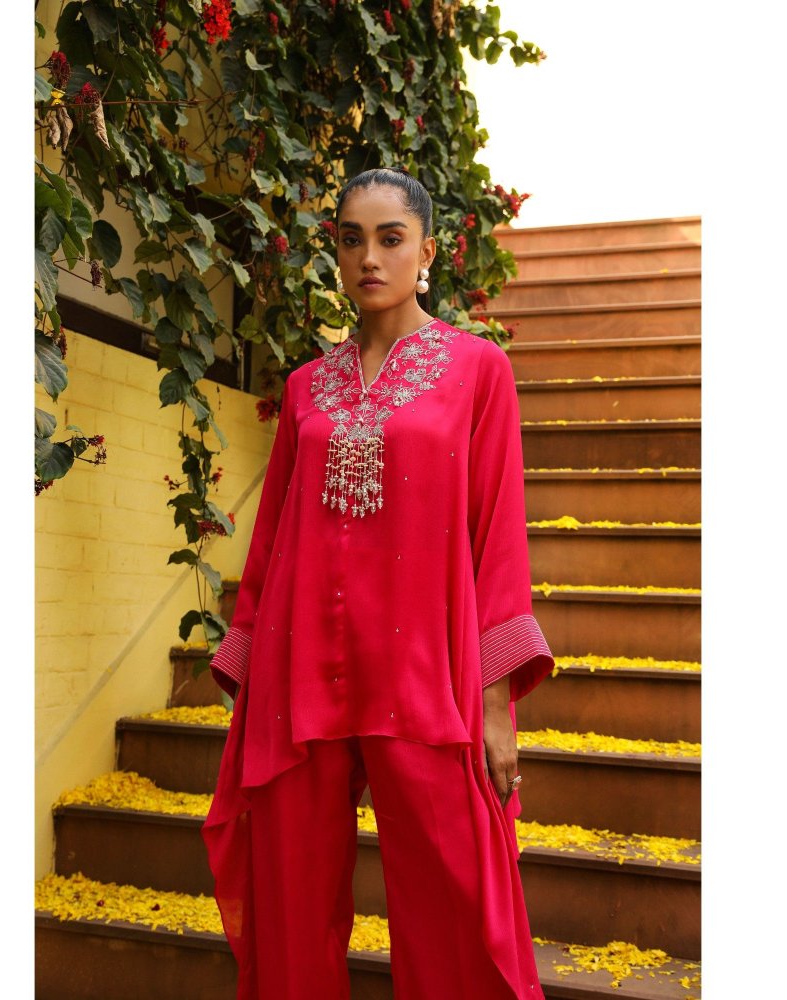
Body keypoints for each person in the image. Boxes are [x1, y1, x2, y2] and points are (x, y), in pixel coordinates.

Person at [201, 166, 556, 999]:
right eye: (351, 239)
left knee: (454, 907)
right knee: (291, 910)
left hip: (423, 676)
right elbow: (273, 537)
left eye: (391, 239)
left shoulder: (477, 371)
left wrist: (495, 702)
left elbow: (497, 539)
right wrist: (248, 669)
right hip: (300, 675)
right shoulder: (305, 387)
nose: (370, 257)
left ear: (426, 252)